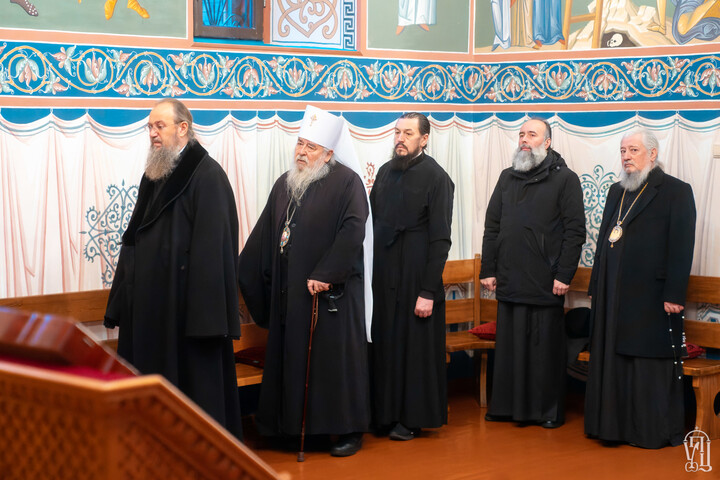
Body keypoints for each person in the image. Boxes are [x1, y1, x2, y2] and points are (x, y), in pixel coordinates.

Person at [104, 98, 243, 438]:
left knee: (193, 396)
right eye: (150, 127)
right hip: (151, 308)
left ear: (183, 128)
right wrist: (122, 300)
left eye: (160, 125)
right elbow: (134, 238)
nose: (153, 133)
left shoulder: (207, 176)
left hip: (185, 314)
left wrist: (205, 320)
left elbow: (214, 253)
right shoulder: (154, 175)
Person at [238, 106, 371, 457]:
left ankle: (347, 430)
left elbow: (353, 231)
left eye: (311, 147)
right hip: (292, 295)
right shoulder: (286, 183)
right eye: (300, 143)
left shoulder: (347, 183)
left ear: (328, 153)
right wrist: (244, 268)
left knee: (333, 365)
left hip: (330, 297)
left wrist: (326, 274)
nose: (301, 152)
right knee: (295, 362)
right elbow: (267, 233)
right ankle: (298, 428)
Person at [585, 129, 696, 448]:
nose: (626, 156)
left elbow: (682, 246)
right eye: (623, 151)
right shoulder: (616, 190)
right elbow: (605, 239)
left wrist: (675, 293)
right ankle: (612, 427)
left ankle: (649, 431)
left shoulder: (675, 191)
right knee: (613, 358)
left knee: (646, 361)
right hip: (613, 294)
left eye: (633, 150)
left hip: (652, 296)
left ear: (652, 154)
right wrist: (596, 284)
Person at [480, 117, 585, 428]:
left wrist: (564, 274)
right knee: (510, 349)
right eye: (522, 134)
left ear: (547, 142)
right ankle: (506, 408)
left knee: (543, 351)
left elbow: (575, 231)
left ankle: (546, 412)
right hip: (510, 276)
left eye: (532, 134)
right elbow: (492, 226)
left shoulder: (565, 179)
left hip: (545, 279)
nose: (524, 139)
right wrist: (488, 268)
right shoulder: (507, 177)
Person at [370, 112, 454, 441]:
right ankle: (385, 414)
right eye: (397, 132)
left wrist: (428, 291)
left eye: (408, 133)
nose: (400, 139)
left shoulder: (437, 177)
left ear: (424, 139)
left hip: (417, 275)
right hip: (385, 274)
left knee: (413, 349)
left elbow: (441, 240)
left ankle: (411, 418)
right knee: (387, 344)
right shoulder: (385, 172)